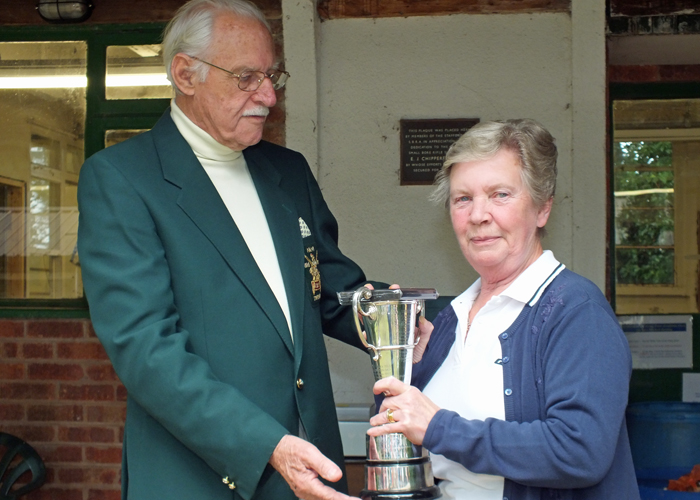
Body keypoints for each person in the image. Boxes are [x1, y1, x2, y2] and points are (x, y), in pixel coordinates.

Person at [77, 1, 377, 499]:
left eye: (271, 77)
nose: (267, 96)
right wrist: (267, 443)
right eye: (245, 77)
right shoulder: (122, 179)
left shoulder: (288, 171)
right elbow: (146, 349)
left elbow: (331, 291)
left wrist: (441, 317)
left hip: (310, 469)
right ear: (184, 74)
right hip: (197, 478)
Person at [367, 119, 640, 499]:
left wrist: (439, 427)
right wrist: (407, 370)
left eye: (500, 195)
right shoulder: (450, 318)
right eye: (463, 199)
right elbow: (398, 432)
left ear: (542, 209)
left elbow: (580, 451)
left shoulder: (576, 311)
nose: (478, 215)